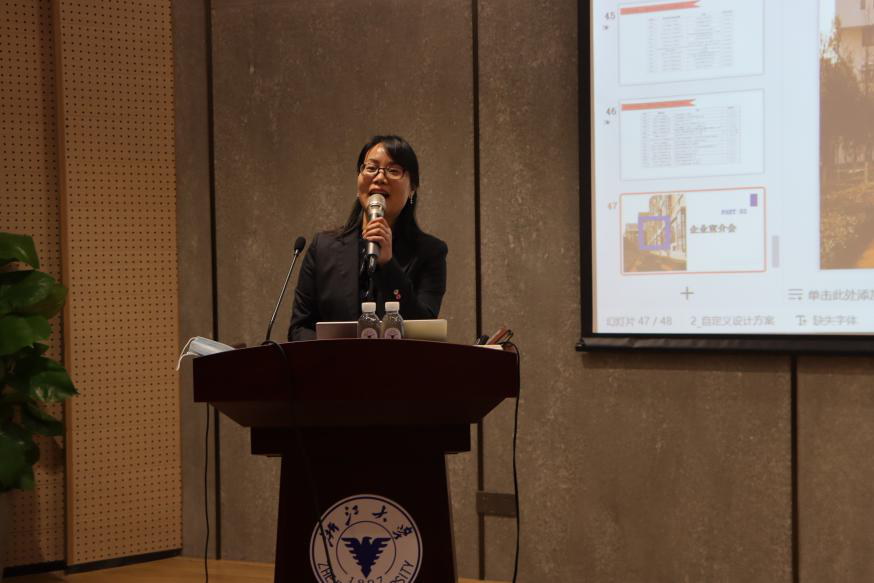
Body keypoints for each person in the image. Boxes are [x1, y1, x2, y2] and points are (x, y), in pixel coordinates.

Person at [288, 135, 448, 341]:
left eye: (393, 170)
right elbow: (299, 328)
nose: (379, 178)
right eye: (371, 168)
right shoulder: (323, 248)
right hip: (334, 362)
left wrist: (388, 266)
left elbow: (424, 330)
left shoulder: (430, 252)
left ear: (412, 188)